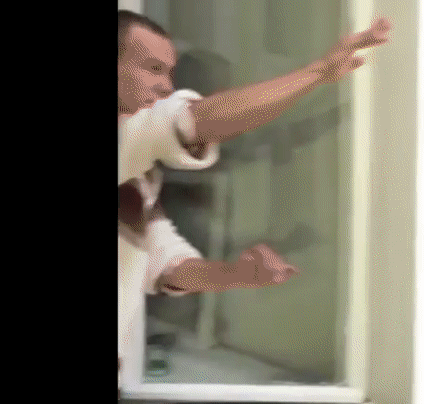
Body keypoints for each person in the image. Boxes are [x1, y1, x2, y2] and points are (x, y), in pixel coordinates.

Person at [117, 9, 392, 397]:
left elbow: (166, 265)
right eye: (152, 68)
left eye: (169, 72)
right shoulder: (132, 139)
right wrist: (318, 72)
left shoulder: (135, 174)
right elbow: (197, 120)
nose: (166, 86)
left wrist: (237, 274)